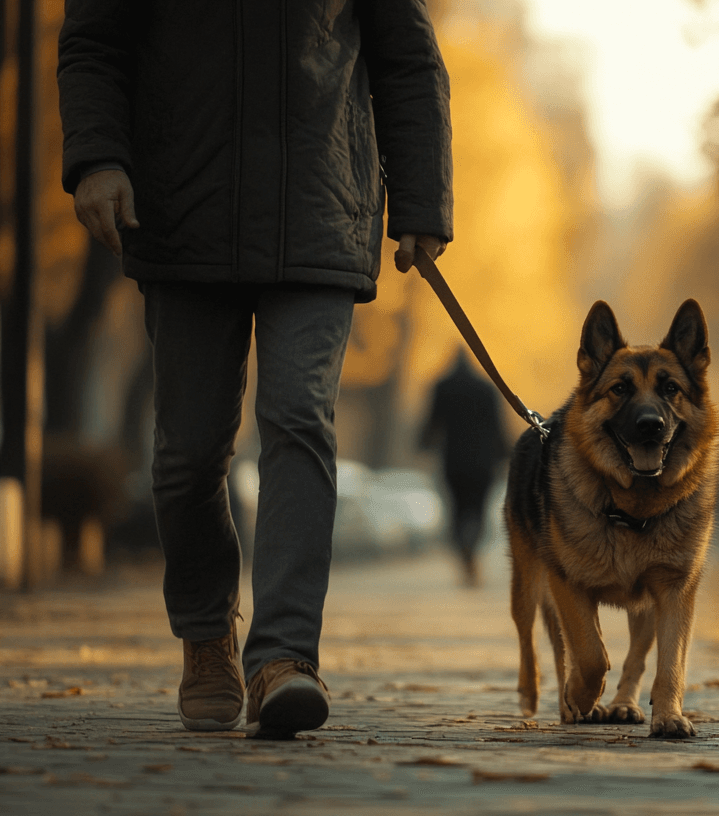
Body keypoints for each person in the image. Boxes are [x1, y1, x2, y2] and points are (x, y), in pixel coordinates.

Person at [58, 1, 453, 739]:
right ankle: (207, 633)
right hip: (182, 212)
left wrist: (423, 200)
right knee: (186, 455)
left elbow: (408, 57)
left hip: (320, 209)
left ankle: (283, 656)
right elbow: (94, 40)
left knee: (299, 417)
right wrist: (98, 158)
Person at [420, 350, 508, 586]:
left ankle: (464, 551)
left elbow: (432, 421)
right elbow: (498, 425)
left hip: (453, 462)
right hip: (483, 463)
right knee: (477, 509)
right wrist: (506, 455)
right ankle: (472, 545)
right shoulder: (486, 389)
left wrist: (423, 443)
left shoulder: (442, 386)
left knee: (457, 510)